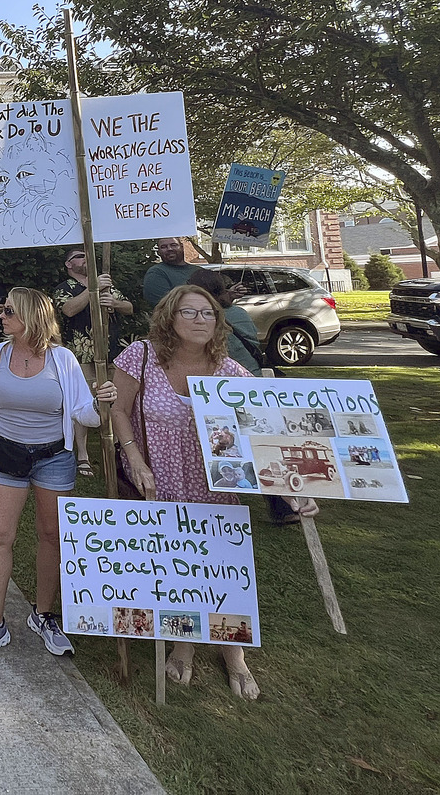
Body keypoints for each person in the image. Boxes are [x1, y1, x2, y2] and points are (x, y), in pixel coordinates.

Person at [109, 285, 268, 699]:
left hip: (214, 485)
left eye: (208, 314)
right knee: (175, 567)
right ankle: (183, 647)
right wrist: (136, 459)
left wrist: (294, 489)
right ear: (169, 319)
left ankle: (234, 652)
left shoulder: (231, 373)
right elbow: (119, 410)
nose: (200, 321)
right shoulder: (140, 356)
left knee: (221, 565)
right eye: (189, 313)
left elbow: (266, 429)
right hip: (157, 481)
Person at [0, 288, 115, 663]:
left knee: (52, 536)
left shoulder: (62, 359)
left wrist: (103, 404)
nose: (2, 315)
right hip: (7, 455)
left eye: (10, 310)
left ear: (31, 316)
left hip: (53, 457)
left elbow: (84, 412)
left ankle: (44, 615)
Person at [185, 268, 312, 528]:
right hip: (253, 386)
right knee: (262, 447)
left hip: (226, 391)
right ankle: (283, 504)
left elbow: (216, 357)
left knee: (230, 446)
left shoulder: (215, 323)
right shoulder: (239, 313)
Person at [51, 247, 133, 477]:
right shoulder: (64, 288)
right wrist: (92, 288)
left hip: (112, 352)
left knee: (115, 402)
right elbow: (68, 310)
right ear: (69, 265)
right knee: (84, 403)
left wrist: (115, 303)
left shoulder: (106, 284)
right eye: (79, 256)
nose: (86, 258)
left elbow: (129, 306)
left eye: (87, 255)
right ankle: (83, 455)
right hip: (82, 354)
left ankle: (118, 451)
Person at [142, 237, 196, 307]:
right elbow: (163, 306)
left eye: (173, 245)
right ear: (159, 252)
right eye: (164, 247)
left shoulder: (199, 271)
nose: (169, 249)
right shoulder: (156, 273)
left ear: (182, 247)